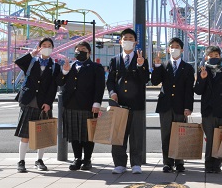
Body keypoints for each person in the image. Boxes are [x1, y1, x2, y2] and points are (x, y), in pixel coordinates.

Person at [14, 37, 61, 173]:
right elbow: (18, 62)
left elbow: (53, 87)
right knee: (25, 135)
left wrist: (48, 103)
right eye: (43, 45)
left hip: (43, 104)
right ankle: (21, 161)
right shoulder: (32, 61)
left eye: (49, 45)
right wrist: (32, 54)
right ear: (39, 47)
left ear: (52, 48)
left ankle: (39, 160)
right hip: (28, 101)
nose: (46, 47)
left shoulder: (55, 66)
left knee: (43, 134)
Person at [107, 28, 149, 175]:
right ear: (120, 41)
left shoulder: (142, 59)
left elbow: (145, 80)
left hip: (136, 104)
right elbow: (110, 81)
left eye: (131, 38)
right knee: (119, 134)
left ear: (136, 42)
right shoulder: (115, 60)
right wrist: (112, 93)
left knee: (136, 135)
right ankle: (119, 163)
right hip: (119, 104)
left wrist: (140, 66)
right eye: (125, 38)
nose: (128, 41)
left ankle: (136, 163)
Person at [57, 41, 105, 171]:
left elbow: (100, 87)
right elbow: (60, 82)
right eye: (77, 49)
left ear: (89, 52)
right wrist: (65, 72)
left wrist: (97, 103)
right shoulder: (70, 66)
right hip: (71, 104)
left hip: (88, 105)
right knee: (74, 134)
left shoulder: (96, 67)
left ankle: (87, 159)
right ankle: (77, 158)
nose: (80, 51)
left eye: (83, 49)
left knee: (88, 133)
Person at [151, 37, 195, 173]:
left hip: (181, 106)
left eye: (177, 46)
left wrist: (188, 107)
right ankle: (167, 162)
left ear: (182, 49)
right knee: (166, 135)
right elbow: (154, 81)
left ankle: (180, 161)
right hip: (165, 106)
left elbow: (189, 90)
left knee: (180, 134)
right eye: (172, 46)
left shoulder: (188, 68)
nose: (174, 49)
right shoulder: (163, 65)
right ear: (168, 49)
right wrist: (157, 66)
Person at [194, 46, 222, 173]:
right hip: (208, 111)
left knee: (220, 139)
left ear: (220, 57)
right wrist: (203, 78)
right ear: (206, 57)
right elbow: (198, 91)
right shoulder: (203, 71)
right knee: (210, 139)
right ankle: (208, 164)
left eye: (216, 56)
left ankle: (217, 165)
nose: (214, 58)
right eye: (211, 56)